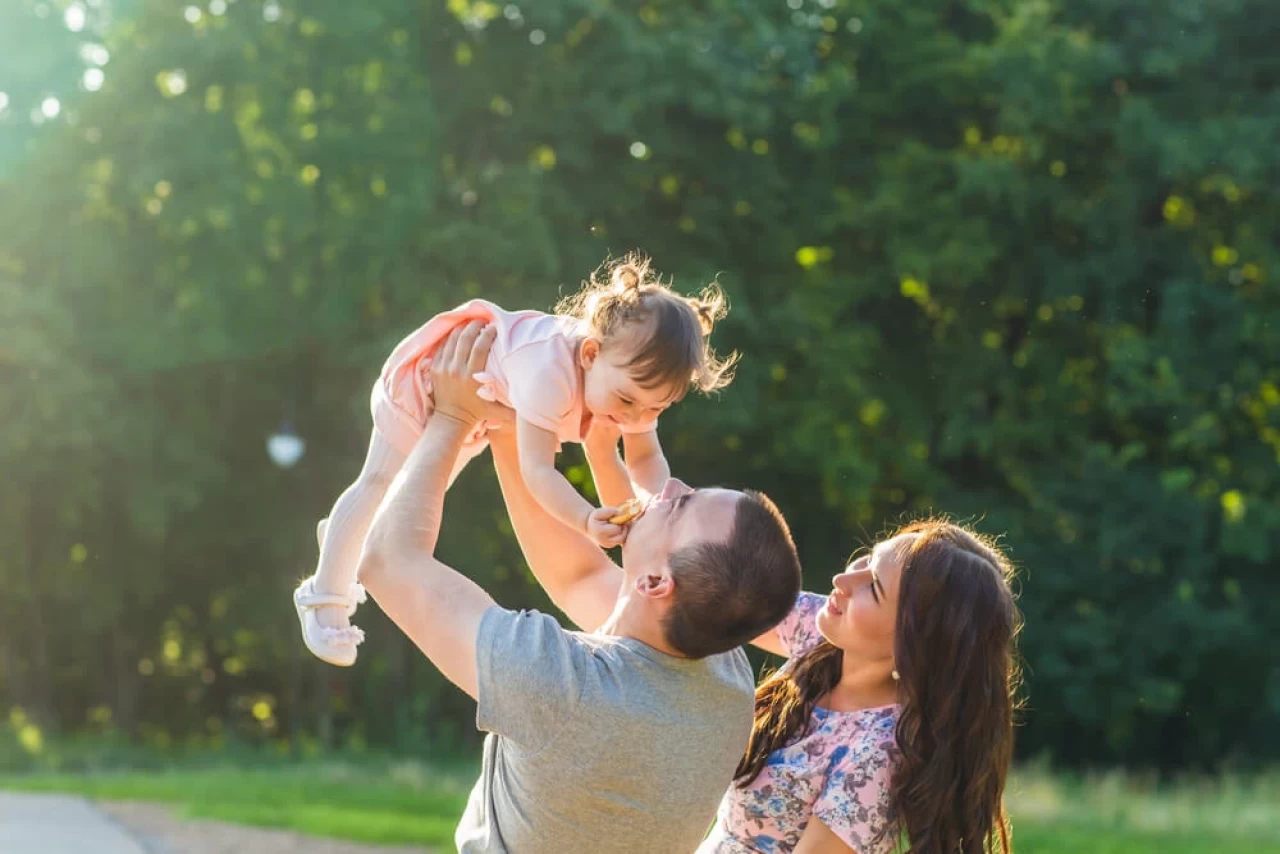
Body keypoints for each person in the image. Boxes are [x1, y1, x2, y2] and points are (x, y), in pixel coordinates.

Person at [352, 322, 803, 854]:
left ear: (655, 582)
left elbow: (387, 562)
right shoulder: (723, 674)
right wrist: (513, 424)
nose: (672, 486)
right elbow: (578, 577)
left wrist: (452, 418)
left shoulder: (564, 686)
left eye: (681, 505)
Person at [295, 253, 737, 666]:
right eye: (627, 401)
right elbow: (537, 470)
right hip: (432, 379)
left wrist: (658, 510)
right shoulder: (550, 375)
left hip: (480, 405)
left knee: (403, 503)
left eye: (656, 409)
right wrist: (585, 520)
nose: (635, 418)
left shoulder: (629, 385)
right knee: (378, 485)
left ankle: (342, 539)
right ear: (589, 354)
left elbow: (644, 459)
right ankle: (324, 593)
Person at [698, 521, 1023, 854]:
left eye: (874, 587)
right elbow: (714, 592)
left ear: (910, 645)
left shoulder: (876, 757)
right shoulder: (827, 635)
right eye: (868, 558)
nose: (843, 581)